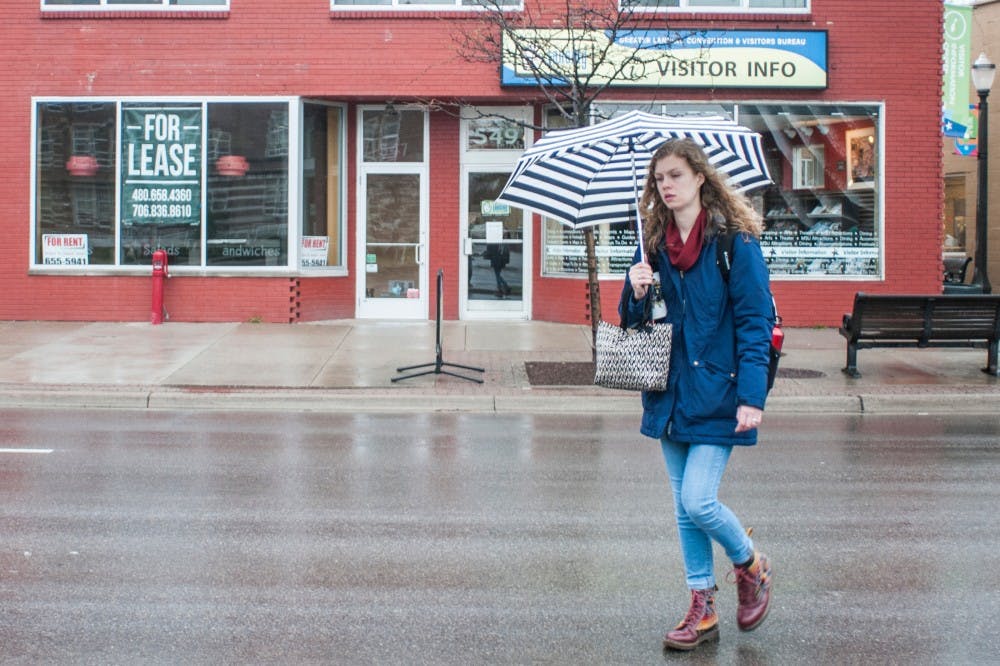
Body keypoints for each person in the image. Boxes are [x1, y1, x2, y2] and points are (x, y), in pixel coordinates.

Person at [619, 138, 775, 652]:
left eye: (675, 175)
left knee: (699, 500)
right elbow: (637, 324)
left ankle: (750, 561)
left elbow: (755, 325)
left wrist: (752, 397)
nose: (666, 185)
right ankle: (701, 606)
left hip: (720, 393)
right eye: (658, 178)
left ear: (700, 178)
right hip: (668, 393)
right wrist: (635, 290)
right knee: (684, 510)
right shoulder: (654, 244)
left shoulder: (735, 245)